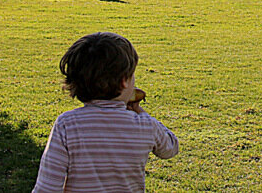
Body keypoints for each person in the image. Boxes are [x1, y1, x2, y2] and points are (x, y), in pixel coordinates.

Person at [32, 32, 179, 192]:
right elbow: (170, 147)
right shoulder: (145, 125)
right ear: (124, 81)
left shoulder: (67, 125)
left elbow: (47, 187)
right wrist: (142, 113)